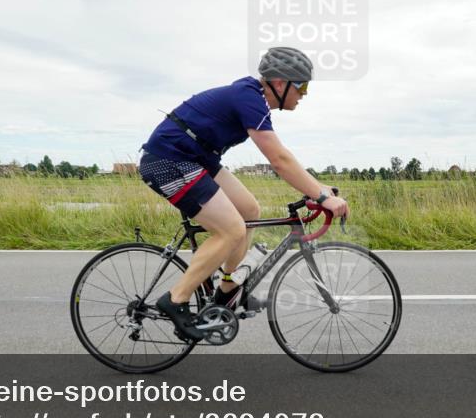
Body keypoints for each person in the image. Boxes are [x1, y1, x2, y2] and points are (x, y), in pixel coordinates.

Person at [138, 46, 349, 341]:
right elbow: (279, 160)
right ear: (279, 83)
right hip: (168, 160)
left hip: (197, 158)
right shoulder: (249, 97)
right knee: (231, 230)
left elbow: (284, 159)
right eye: (301, 85)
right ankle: (176, 299)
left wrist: (320, 189)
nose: (304, 93)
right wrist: (323, 197)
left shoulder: (252, 98)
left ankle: (227, 291)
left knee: (249, 211)